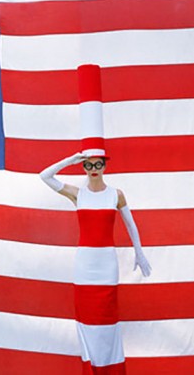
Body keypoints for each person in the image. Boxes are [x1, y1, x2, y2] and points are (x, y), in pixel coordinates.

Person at [40, 152, 151, 374]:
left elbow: (130, 224)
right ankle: (90, 367)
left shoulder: (116, 195)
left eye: (98, 164)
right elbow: (45, 176)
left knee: (107, 319)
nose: (93, 168)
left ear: (104, 167)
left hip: (107, 264)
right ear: (84, 167)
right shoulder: (77, 194)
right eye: (88, 165)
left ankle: (111, 368)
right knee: (86, 318)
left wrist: (139, 252)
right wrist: (71, 160)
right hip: (85, 265)